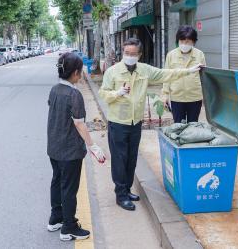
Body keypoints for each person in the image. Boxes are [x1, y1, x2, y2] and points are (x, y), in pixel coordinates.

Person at [99, 38, 202, 211]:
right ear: (122, 53)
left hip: (136, 122)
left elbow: (166, 74)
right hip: (118, 122)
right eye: (126, 53)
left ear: (139, 55)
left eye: (133, 54)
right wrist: (117, 93)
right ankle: (120, 195)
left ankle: (127, 189)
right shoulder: (113, 71)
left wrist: (189, 71)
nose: (129, 56)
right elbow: (103, 93)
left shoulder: (145, 70)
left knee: (131, 158)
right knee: (119, 159)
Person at [47, 52, 106, 241]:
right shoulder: (74, 94)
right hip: (69, 150)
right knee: (69, 188)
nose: (81, 76)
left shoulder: (54, 89)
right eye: (80, 73)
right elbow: (79, 124)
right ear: (74, 73)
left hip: (54, 146)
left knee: (57, 182)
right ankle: (69, 227)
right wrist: (93, 146)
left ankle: (55, 218)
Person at [162, 25, 206, 123]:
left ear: (193, 42)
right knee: (178, 126)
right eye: (181, 41)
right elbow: (166, 76)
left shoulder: (200, 55)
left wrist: (205, 96)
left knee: (193, 125)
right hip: (177, 98)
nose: (184, 44)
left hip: (195, 97)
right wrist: (165, 95)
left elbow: (204, 77)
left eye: (187, 42)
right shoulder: (171, 55)